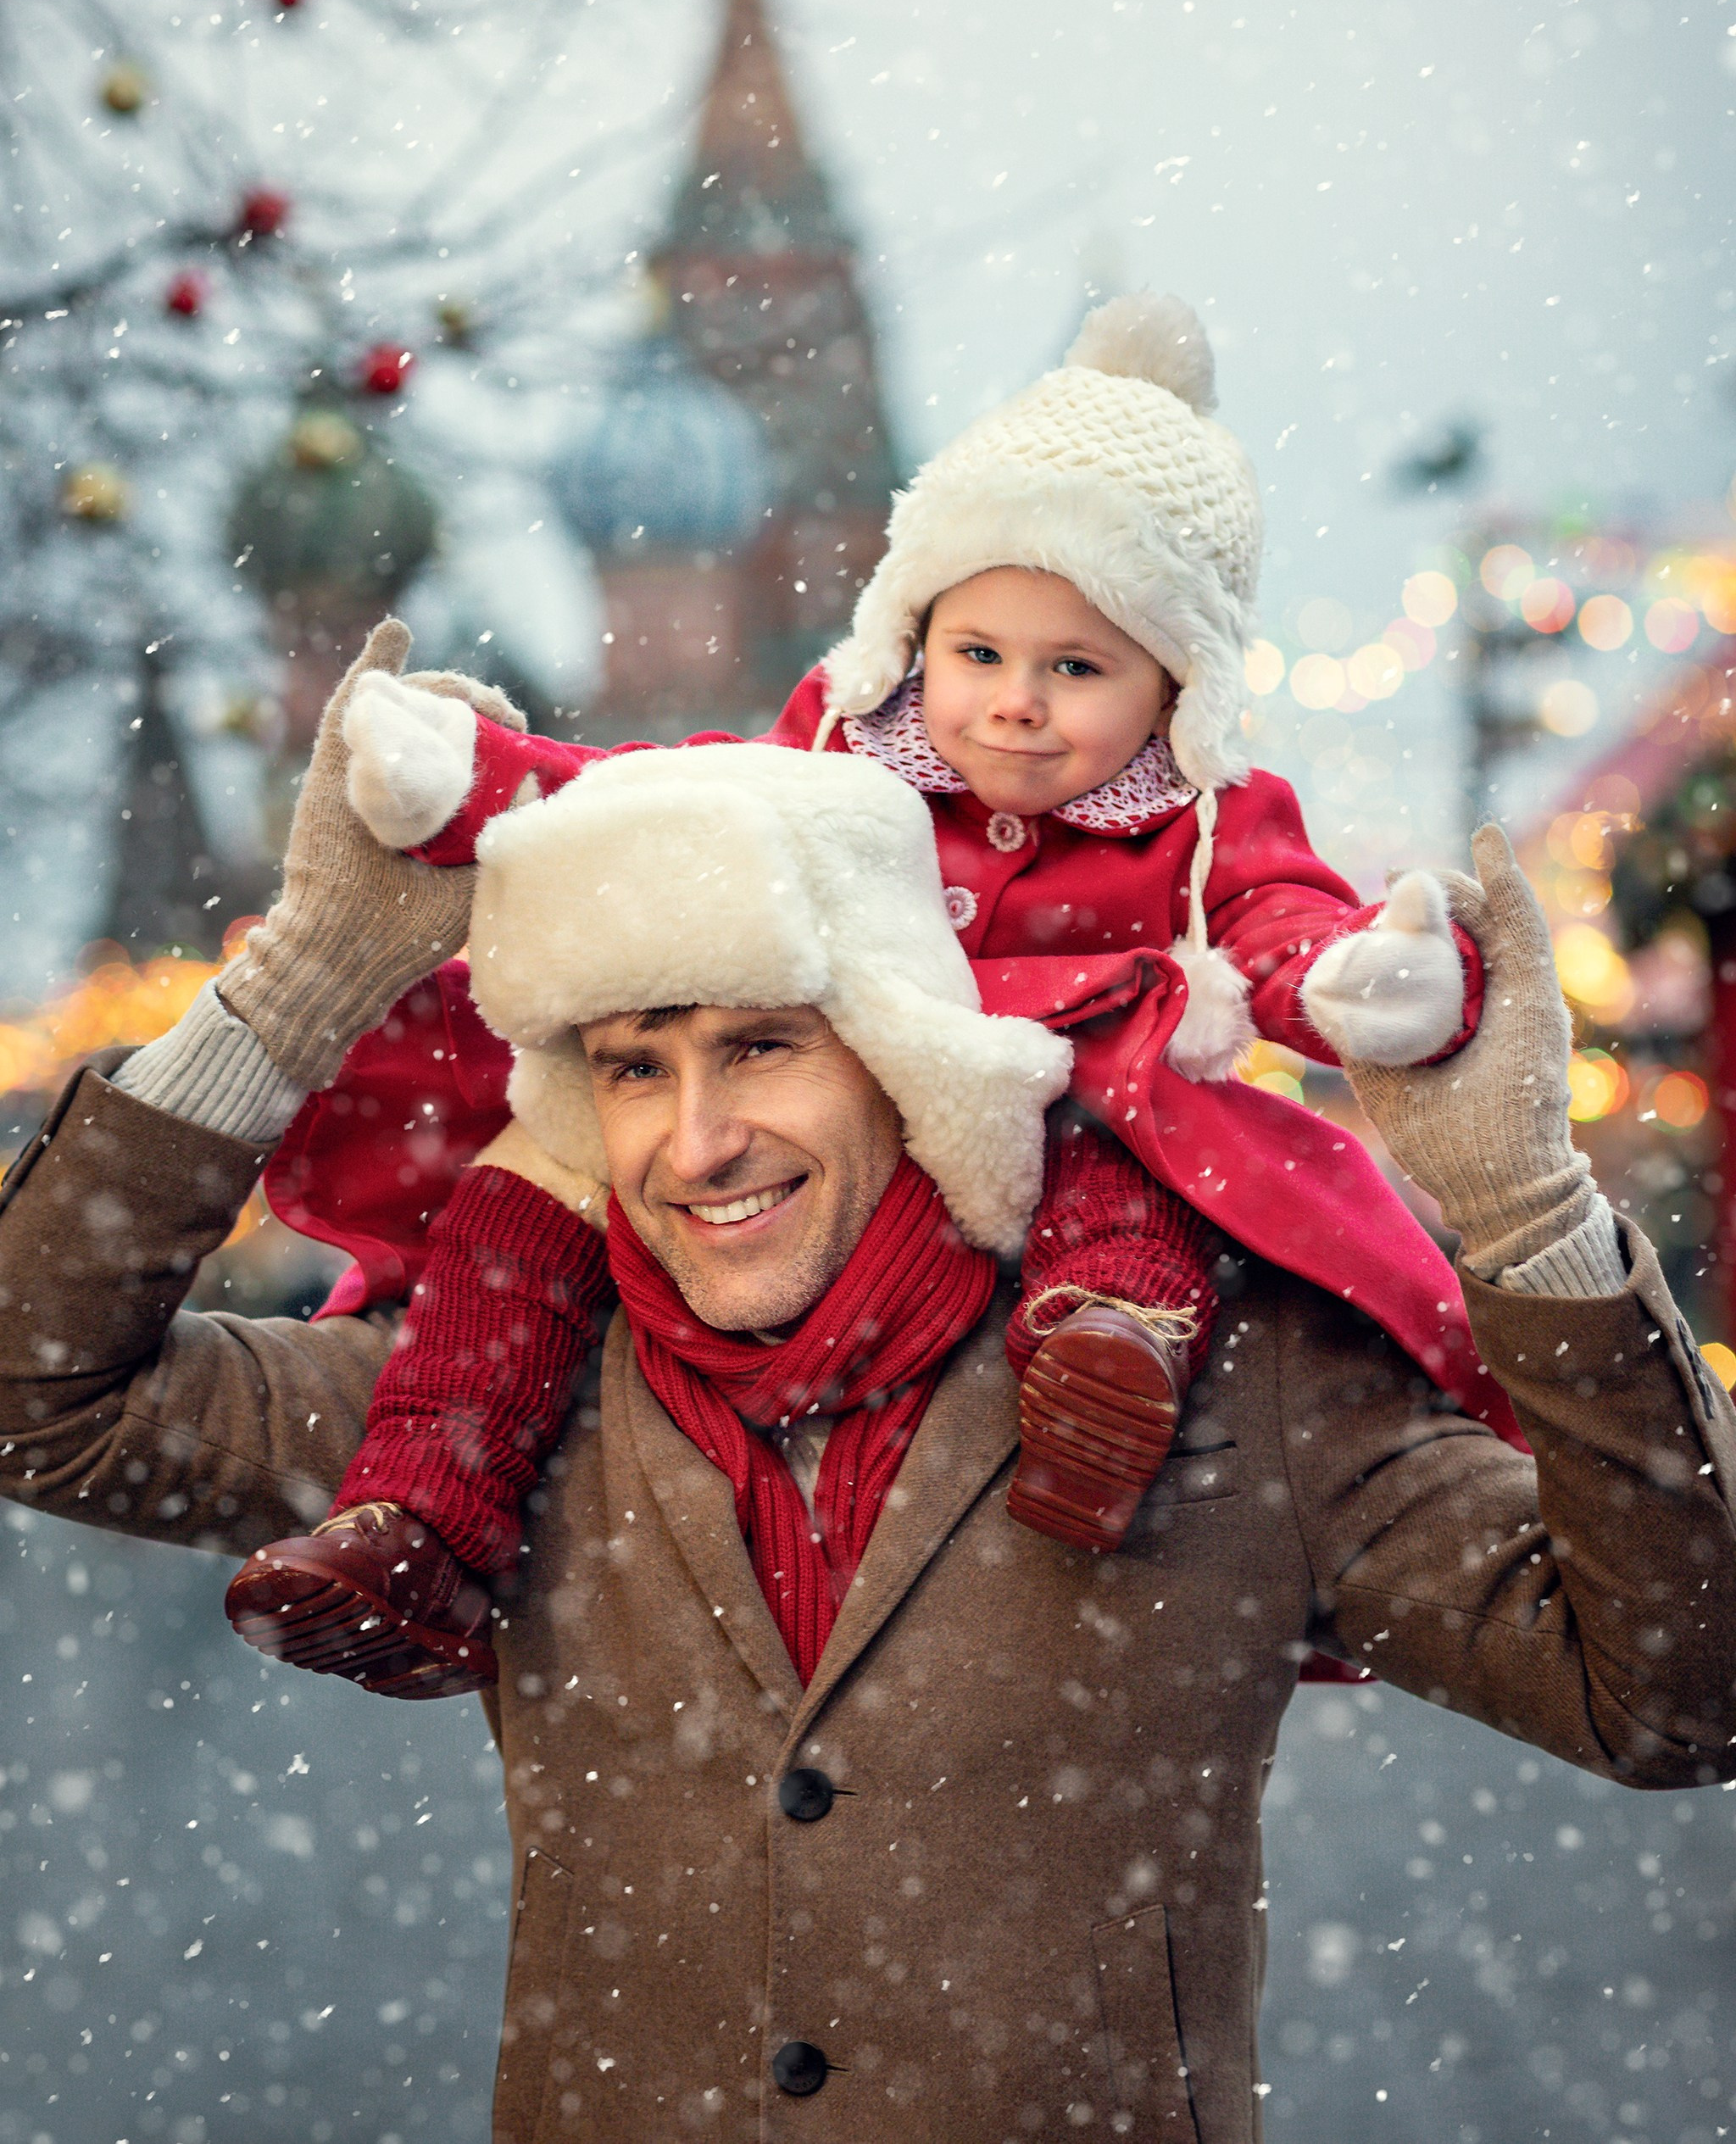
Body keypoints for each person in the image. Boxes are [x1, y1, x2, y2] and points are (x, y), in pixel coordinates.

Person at [3, 631, 1733, 2141]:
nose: (698, 1141)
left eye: (760, 1045)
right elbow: (39, 1396)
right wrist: (301, 977)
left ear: (903, 1049)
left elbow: (1673, 1696)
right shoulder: (498, 1399)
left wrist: (1527, 1210)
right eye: (633, 1067)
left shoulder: (1232, 1378)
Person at [299, 294, 1500, 1647]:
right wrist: (480, 784)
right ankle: (419, 1508)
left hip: (1069, 1091)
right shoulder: (843, 754)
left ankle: (1102, 1383)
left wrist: (1359, 975)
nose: (1015, 703)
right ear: (912, 637)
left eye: (1078, 668)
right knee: (537, 1192)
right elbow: (657, 798)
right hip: (840, 1090)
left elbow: (1279, 915)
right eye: (976, 654)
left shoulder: (1198, 812)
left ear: (1174, 689)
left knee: (1128, 1165)